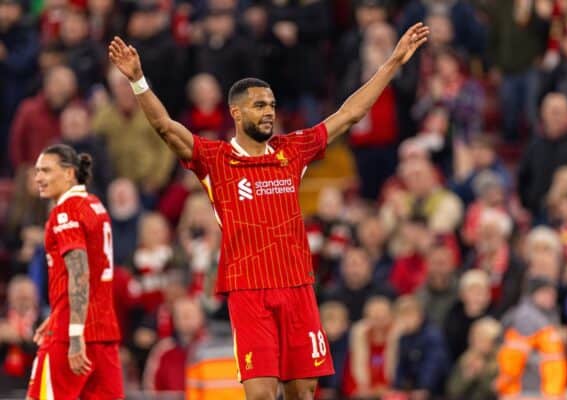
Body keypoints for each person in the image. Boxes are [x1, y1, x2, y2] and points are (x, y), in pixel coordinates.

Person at [108, 21, 429, 400]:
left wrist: (391, 63)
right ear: (235, 112)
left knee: (303, 391)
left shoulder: (291, 151)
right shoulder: (216, 159)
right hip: (248, 289)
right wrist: (139, 81)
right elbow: (165, 127)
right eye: (259, 105)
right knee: (260, 393)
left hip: (296, 286)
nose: (269, 112)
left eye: (273, 105)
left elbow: (349, 114)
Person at [26, 144, 123, 399]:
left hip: (72, 333)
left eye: (46, 171)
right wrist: (59, 309)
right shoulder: (95, 205)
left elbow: (80, 273)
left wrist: (74, 333)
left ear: (69, 173)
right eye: (37, 171)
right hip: (104, 331)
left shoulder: (65, 212)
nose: (38, 178)